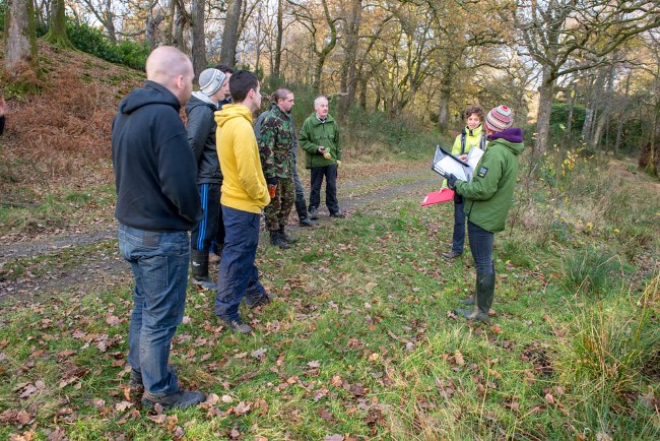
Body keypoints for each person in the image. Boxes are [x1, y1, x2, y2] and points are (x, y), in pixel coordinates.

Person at [111, 46, 205, 409]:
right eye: (191, 80)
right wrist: (193, 218)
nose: (191, 87)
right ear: (179, 79)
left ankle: (142, 369)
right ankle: (160, 392)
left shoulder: (126, 112)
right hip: (159, 234)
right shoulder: (165, 118)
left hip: (131, 227)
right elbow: (180, 182)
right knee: (160, 315)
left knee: (143, 306)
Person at [446, 105, 524, 322]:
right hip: (490, 212)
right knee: (484, 260)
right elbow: (488, 179)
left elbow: (483, 189)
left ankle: (481, 311)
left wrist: (458, 185)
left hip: (484, 215)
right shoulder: (506, 148)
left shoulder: (497, 151)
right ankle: (479, 299)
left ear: (490, 125)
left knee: (483, 261)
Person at [214, 70, 272, 334]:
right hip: (242, 204)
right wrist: (264, 197)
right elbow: (248, 175)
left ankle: (255, 293)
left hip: (231, 199)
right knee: (236, 258)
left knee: (241, 253)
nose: (261, 96)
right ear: (251, 93)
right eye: (259, 91)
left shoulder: (227, 121)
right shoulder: (241, 127)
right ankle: (227, 310)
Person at [185, 68, 227, 289]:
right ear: (214, 87)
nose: (226, 88)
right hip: (205, 178)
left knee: (210, 225)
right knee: (202, 227)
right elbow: (192, 144)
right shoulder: (202, 112)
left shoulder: (210, 110)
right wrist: (190, 179)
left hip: (214, 176)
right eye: (222, 85)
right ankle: (199, 275)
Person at [255, 97, 315, 228]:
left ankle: (302, 217)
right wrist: (266, 163)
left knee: (293, 192)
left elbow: (293, 139)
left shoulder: (288, 118)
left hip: (289, 164)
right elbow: (259, 141)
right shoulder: (266, 117)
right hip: (272, 166)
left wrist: (292, 157)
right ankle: (271, 226)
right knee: (273, 196)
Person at [442, 105, 488, 260]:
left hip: (476, 186)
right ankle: (456, 249)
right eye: (470, 119)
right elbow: (451, 162)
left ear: (480, 120)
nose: (473, 122)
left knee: (476, 223)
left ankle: (480, 255)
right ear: (466, 120)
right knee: (459, 220)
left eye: (476, 119)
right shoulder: (460, 138)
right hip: (460, 185)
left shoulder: (486, 138)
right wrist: (445, 185)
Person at [258, 89, 301, 249]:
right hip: (274, 170)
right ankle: (274, 234)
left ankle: (282, 230)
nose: (293, 103)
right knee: (273, 204)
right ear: (280, 101)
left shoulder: (286, 119)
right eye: (290, 100)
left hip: (287, 169)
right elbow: (265, 149)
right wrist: (270, 175)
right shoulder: (271, 120)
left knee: (289, 199)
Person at [299, 96, 344, 219]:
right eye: (322, 106)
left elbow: (337, 142)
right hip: (317, 162)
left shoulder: (333, 122)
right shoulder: (309, 122)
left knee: (332, 186)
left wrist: (338, 158)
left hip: (331, 162)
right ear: (316, 107)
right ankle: (313, 210)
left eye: (326, 106)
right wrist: (316, 148)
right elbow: (303, 141)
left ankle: (334, 210)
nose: (325, 108)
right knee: (315, 187)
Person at [208, 64, 235, 264]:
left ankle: (222, 243)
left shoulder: (231, 105)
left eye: (230, 82)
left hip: (226, 167)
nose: (228, 86)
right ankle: (208, 249)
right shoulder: (208, 106)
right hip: (210, 169)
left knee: (223, 209)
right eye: (225, 81)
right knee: (209, 212)